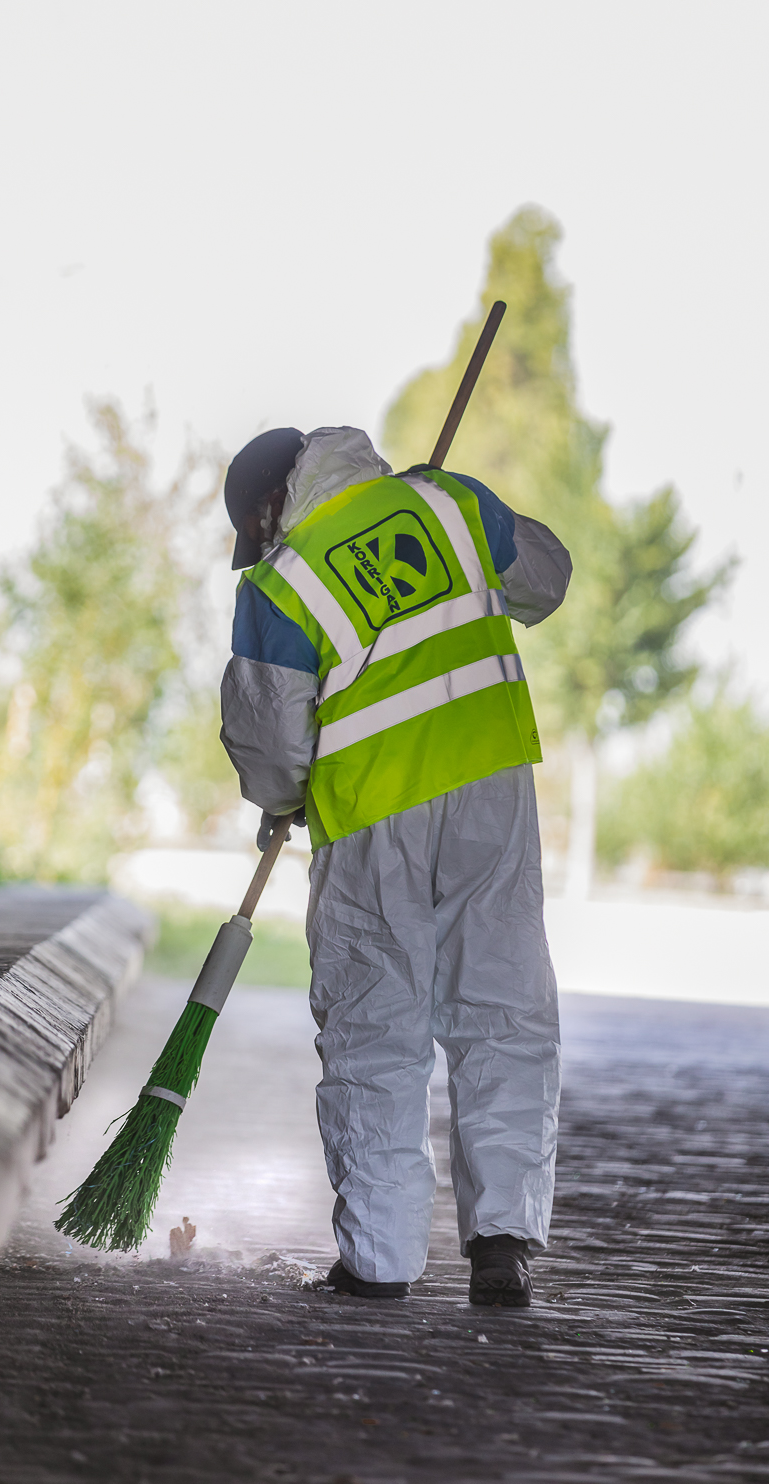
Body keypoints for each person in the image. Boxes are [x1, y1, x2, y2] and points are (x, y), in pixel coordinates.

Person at [219, 425, 572, 1305]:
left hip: (375, 816)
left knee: (377, 1025)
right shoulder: (449, 506)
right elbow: (546, 581)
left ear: (272, 507)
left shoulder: (282, 584)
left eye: (256, 531)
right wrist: (470, 511)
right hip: (491, 791)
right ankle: (502, 1243)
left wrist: (280, 804)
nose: (262, 545)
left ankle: (378, 1260)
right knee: (502, 1010)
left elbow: (270, 741)